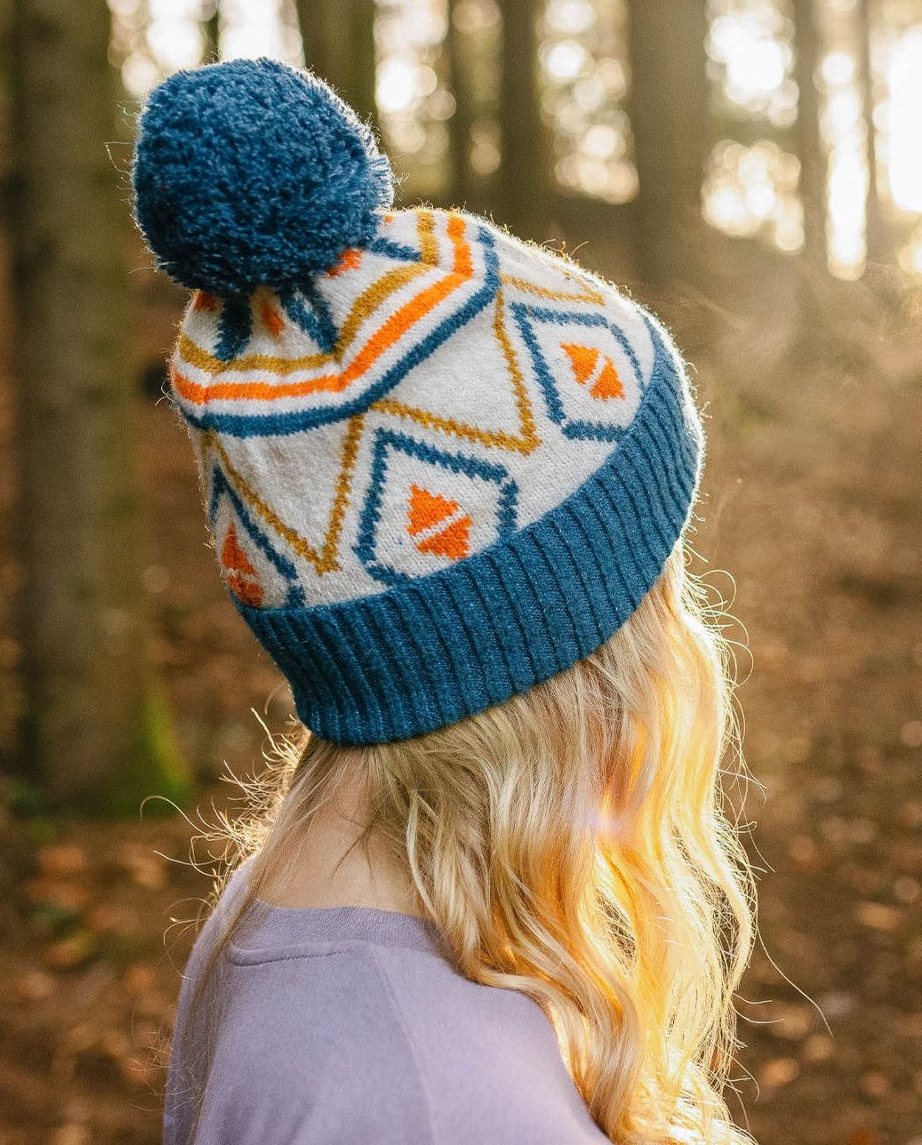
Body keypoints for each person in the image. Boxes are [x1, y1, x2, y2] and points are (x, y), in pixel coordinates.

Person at [131, 58, 756, 1145]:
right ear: (568, 643)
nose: (678, 621)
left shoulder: (312, 929)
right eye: (658, 570)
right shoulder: (431, 1098)